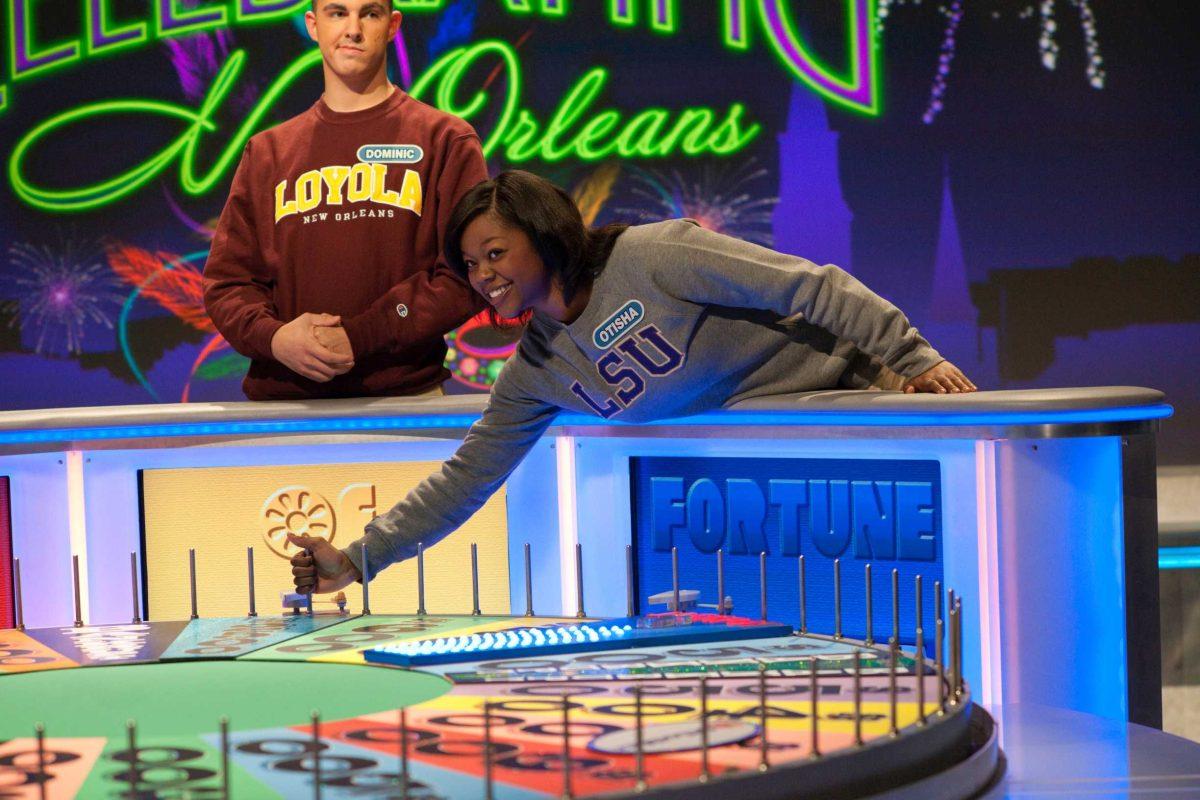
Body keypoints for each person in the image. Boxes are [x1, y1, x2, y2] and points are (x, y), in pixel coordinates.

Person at [287, 170, 976, 592]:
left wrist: (912, 358)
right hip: (782, 477)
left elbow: (810, 286)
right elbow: (466, 477)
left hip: (872, 408)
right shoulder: (537, 368)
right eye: (469, 265)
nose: (482, 274)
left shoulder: (654, 256)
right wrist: (355, 560)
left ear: (546, 232)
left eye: (494, 252)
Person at [203, 0, 487, 400]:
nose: (352, 29)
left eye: (369, 13)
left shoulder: (445, 140)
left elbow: (465, 277)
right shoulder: (268, 152)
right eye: (337, 13)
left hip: (405, 401)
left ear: (392, 25)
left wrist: (362, 335)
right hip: (283, 408)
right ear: (313, 24)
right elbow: (227, 283)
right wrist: (276, 338)